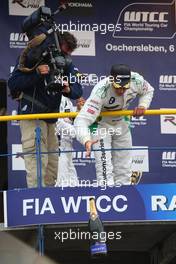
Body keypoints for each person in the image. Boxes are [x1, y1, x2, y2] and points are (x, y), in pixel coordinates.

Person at [8, 32, 83, 188]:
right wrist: (36, 73)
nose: (65, 55)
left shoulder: (66, 63)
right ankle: (36, 202)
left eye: (68, 53)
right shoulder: (33, 56)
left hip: (51, 120)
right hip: (32, 116)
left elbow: (78, 90)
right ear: (56, 45)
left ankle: (47, 202)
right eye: (63, 51)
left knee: (52, 166)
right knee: (37, 165)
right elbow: (13, 83)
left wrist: (68, 89)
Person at [74, 64, 154, 186]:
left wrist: (143, 105)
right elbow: (81, 120)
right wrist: (86, 140)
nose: (121, 91)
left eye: (125, 87)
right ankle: (107, 198)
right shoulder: (101, 91)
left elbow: (148, 90)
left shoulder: (136, 80)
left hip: (121, 124)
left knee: (124, 168)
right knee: (104, 169)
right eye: (118, 87)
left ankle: (126, 197)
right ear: (111, 80)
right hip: (100, 126)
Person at [55, 97, 86, 187]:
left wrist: (79, 110)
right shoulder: (57, 97)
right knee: (62, 181)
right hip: (58, 146)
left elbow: (69, 117)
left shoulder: (67, 100)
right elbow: (57, 122)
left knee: (73, 182)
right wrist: (80, 133)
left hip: (68, 147)